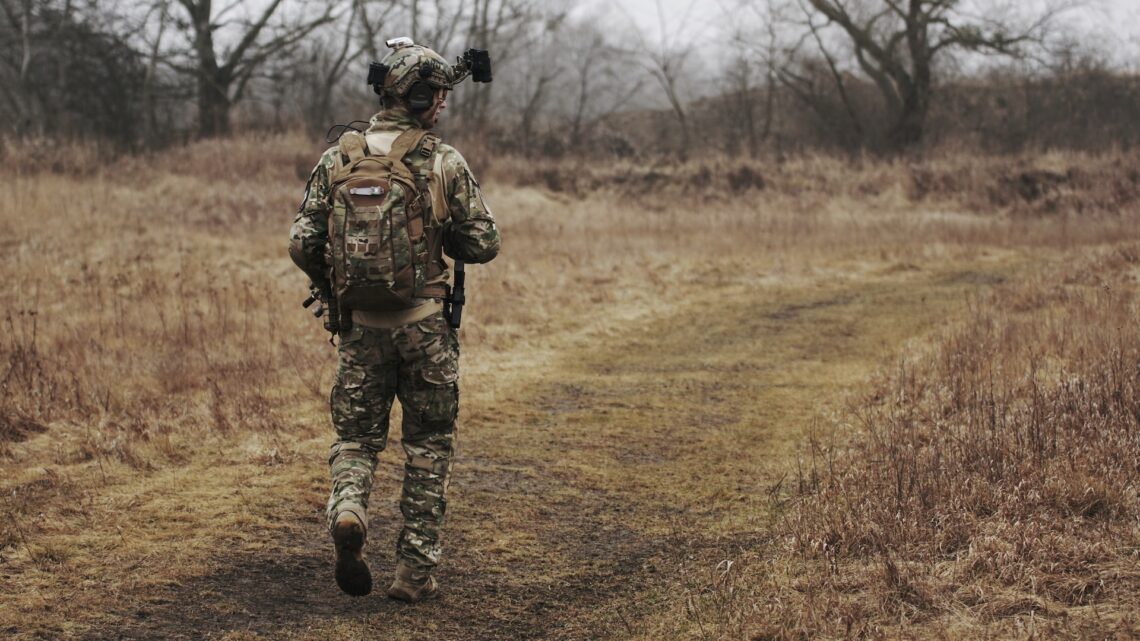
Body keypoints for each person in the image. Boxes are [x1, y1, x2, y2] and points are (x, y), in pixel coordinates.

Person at [288, 37, 500, 601]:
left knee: (356, 438)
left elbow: (301, 240)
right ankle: (414, 574)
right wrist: (442, 232)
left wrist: (331, 290)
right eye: (441, 97)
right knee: (428, 445)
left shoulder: (339, 157)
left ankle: (351, 507)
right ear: (425, 98)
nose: (445, 107)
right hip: (426, 325)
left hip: (359, 328)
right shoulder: (442, 160)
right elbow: (484, 243)